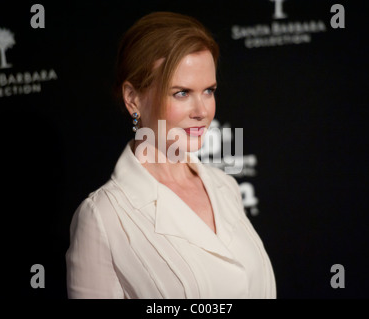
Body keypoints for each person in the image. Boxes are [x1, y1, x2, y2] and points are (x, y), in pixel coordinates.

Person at [65, 11, 276, 299]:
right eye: (181, 93)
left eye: (209, 91)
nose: (202, 112)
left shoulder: (223, 186)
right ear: (133, 98)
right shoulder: (102, 217)